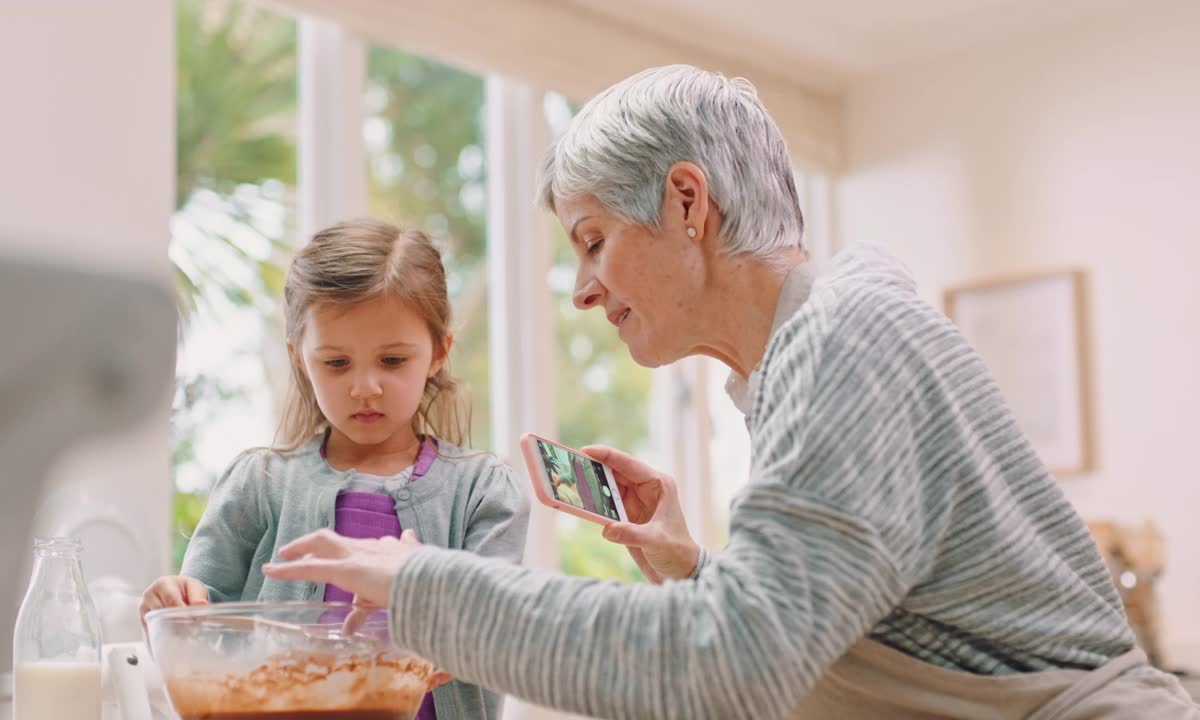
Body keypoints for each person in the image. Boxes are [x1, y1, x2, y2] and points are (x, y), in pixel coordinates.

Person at [262, 67, 1199, 718]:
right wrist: (688, 567)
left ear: (685, 201)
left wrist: (420, 586)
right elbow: (806, 643)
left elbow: (729, 669)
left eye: (592, 241)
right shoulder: (811, 359)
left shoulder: (848, 342)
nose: (584, 289)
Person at [141, 219, 530, 720]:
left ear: (438, 353)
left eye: (391, 360)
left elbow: (498, 629)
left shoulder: (483, 492)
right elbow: (199, 633)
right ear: (299, 359)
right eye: (336, 363)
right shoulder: (258, 486)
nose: (365, 387)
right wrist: (169, 605)